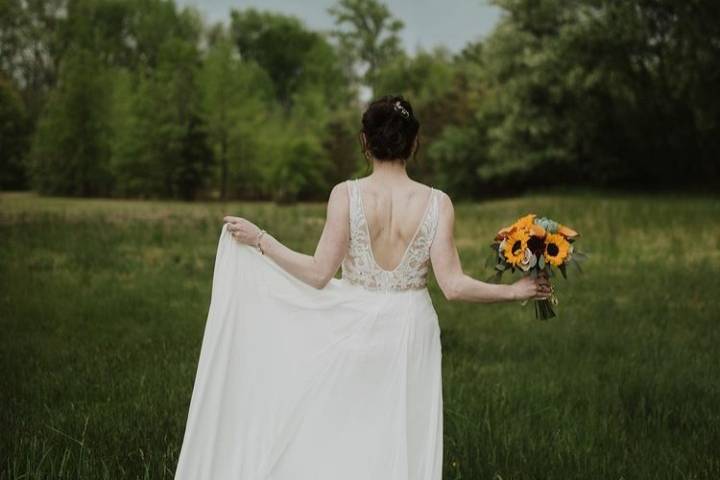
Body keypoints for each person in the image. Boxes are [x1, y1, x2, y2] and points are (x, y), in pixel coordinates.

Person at [173, 95, 552, 480]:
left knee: (348, 431)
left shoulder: (346, 195)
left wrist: (261, 240)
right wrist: (515, 291)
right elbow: (452, 286)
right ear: (414, 143)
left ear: (365, 142)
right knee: (402, 435)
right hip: (410, 328)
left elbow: (319, 272)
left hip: (352, 324)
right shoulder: (438, 203)